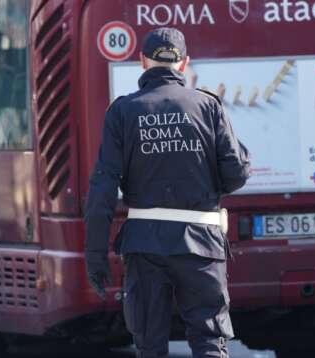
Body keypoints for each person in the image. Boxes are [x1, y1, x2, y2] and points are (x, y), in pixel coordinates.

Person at [84, 27, 251, 358]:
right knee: (210, 341)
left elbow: (102, 188)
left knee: (150, 344)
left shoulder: (122, 111)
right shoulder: (208, 106)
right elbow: (238, 173)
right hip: (202, 241)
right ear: (184, 63)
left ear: (142, 61)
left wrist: (95, 255)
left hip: (144, 244)